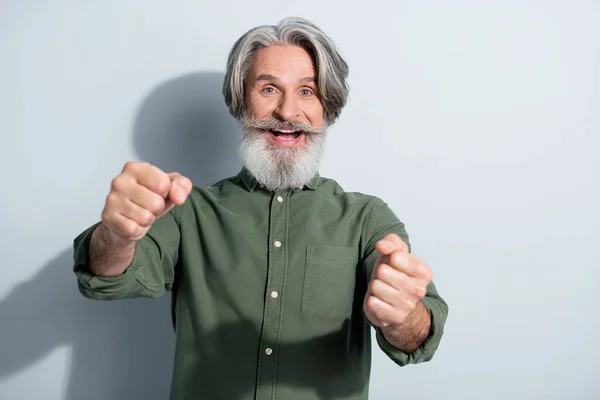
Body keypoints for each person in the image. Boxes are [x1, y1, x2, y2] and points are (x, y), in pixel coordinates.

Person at [72, 17, 448, 400]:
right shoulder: (188, 211)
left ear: (326, 109)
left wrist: (402, 316)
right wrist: (116, 235)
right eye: (269, 88)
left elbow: (419, 336)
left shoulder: (367, 219)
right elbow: (108, 279)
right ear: (241, 102)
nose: (287, 112)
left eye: (307, 91)